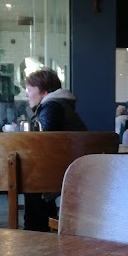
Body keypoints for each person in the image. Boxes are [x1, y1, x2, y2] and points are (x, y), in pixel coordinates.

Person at [23, 68, 87, 231]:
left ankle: (36, 234)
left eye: (29, 89)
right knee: (33, 176)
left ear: (44, 92)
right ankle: (42, 230)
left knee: (31, 178)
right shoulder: (59, 104)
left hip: (65, 171)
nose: (26, 94)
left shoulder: (52, 106)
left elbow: (44, 140)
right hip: (75, 167)